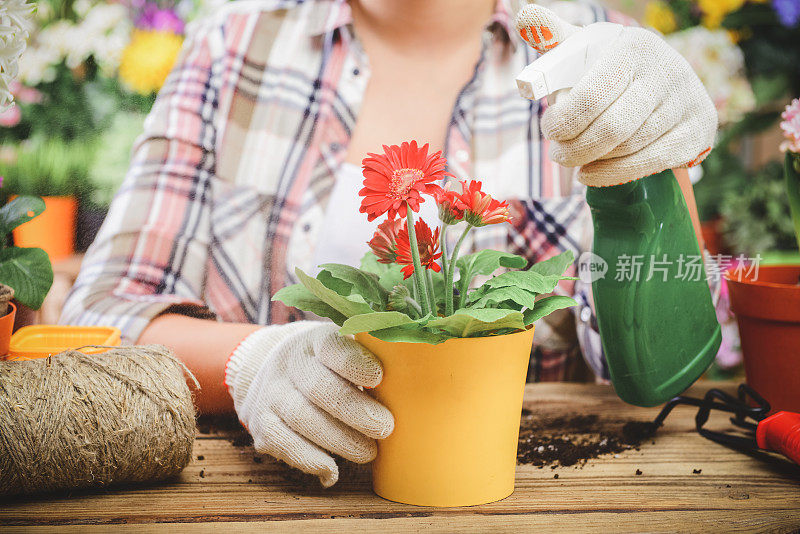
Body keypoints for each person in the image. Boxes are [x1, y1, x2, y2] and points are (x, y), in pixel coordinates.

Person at [60, 0, 717, 486]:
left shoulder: (602, 54)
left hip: (519, 496)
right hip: (265, 495)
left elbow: (665, 371)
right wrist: (254, 362)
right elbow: (103, 314)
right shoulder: (231, 47)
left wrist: (658, 166)